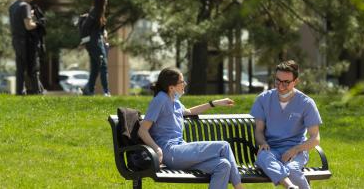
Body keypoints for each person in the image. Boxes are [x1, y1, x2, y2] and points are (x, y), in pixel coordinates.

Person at [138, 67, 244, 189]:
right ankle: (240, 187)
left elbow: (189, 111)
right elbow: (143, 130)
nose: (185, 84)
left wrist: (214, 103)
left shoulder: (174, 100)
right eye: (182, 81)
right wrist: (157, 149)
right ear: (171, 87)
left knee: (223, 165)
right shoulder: (160, 100)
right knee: (224, 146)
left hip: (181, 151)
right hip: (170, 152)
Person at [250, 60, 322, 189]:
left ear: (295, 82)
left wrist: (295, 150)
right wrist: (262, 143)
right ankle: (290, 187)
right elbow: (259, 131)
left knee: (292, 169)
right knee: (263, 158)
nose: (281, 86)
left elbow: (315, 138)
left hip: (295, 150)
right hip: (271, 149)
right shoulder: (263, 99)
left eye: (286, 82)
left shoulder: (306, 103)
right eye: (278, 80)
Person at [8, 0, 44, 95]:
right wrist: (38, 23)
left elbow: (18, 21)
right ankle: (37, 92)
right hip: (25, 41)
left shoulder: (13, 6)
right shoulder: (25, 6)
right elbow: (28, 26)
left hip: (16, 40)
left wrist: (30, 15)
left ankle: (20, 92)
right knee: (32, 67)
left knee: (20, 68)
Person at [82, 0, 110, 96]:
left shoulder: (99, 13)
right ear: (101, 2)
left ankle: (89, 90)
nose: (107, 2)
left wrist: (104, 32)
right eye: (105, 0)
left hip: (96, 42)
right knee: (103, 66)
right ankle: (106, 91)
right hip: (95, 44)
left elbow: (100, 29)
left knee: (95, 68)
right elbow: (85, 28)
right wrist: (88, 42)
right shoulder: (94, 13)